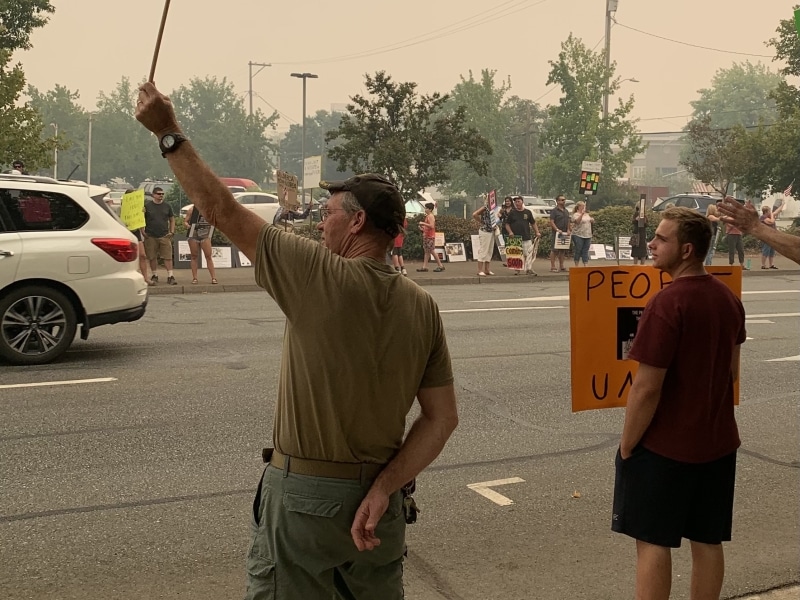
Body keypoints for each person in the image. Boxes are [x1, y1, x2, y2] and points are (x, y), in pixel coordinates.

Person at [135, 81, 458, 600]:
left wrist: (169, 133)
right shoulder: (422, 306)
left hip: (306, 501)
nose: (319, 223)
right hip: (382, 503)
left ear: (356, 222)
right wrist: (384, 487)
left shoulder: (317, 275)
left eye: (328, 214)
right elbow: (442, 418)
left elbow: (220, 210)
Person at [613, 206, 745, 600]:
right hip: (719, 444)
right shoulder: (727, 299)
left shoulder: (666, 303)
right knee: (707, 540)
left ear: (686, 250)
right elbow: (732, 373)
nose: (651, 244)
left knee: (652, 540)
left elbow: (646, 388)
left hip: (664, 447)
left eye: (661, 239)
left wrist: (627, 445)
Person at [717, 196, 800, 265]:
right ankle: (734, 265)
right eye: (769, 211)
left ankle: (742, 264)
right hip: (734, 235)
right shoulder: (764, 218)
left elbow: (796, 248)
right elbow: (796, 247)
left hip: (743, 234)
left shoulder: (767, 217)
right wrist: (756, 227)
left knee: (741, 251)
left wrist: (756, 226)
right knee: (734, 251)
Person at [143, 186, 178, 285]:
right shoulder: (147, 206)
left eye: (162, 194)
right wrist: (142, 231)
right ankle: (154, 275)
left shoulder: (167, 206)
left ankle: (170, 276)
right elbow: (141, 219)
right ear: (153, 195)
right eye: (159, 194)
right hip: (150, 235)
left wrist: (172, 231)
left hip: (164, 235)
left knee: (167, 256)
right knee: (152, 256)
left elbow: (172, 219)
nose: (161, 195)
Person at [505, 196, 541, 275]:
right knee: (517, 254)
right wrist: (510, 232)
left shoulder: (527, 212)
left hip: (526, 236)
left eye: (518, 201)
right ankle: (517, 269)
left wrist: (537, 232)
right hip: (515, 237)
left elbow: (533, 223)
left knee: (528, 254)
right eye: (516, 202)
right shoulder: (512, 213)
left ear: (522, 202)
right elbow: (507, 224)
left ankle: (529, 269)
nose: (517, 203)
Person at [184, 205, 218, 284]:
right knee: (194, 256)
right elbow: (185, 221)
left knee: (208, 256)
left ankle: (213, 277)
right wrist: (187, 225)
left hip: (205, 235)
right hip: (193, 234)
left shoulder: (208, 209)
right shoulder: (191, 210)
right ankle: (195, 278)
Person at [121, 188, 148, 280]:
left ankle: (146, 278)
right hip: (126, 232)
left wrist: (142, 214)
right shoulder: (122, 208)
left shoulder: (138, 207)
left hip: (136, 232)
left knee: (142, 255)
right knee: (128, 257)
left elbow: (140, 221)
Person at [417, 202, 445, 272]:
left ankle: (440, 265)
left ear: (430, 209)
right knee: (426, 252)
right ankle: (424, 266)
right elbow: (428, 227)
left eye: (426, 208)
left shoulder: (430, 216)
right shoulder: (428, 216)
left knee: (431, 251)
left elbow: (432, 226)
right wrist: (422, 228)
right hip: (427, 236)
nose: (425, 209)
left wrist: (423, 223)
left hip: (430, 237)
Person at [472, 200, 496, 276]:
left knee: (489, 250)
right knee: (483, 250)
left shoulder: (494, 209)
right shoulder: (485, 208)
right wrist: (482, 222)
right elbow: (475, 214)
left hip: (491, 231)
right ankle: (480, 270)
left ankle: (487, 269)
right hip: (485, 231)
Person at [548, 195, 571, 272]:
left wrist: (568, 229)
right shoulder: (554, 211)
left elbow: (568, 221)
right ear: (557, 201)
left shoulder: (566, 211)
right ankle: (553, 266)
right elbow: (551, 221)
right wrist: (557, 229)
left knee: (562, 250)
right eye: (562, 200)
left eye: (564, 200)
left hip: (564, 233)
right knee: (554, 250)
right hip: (557, 233)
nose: (564, 201)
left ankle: (562, 266)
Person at [758, 203, 784, 269]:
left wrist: (782, 205)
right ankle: (763, 265)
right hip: (766, 237)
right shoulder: (763, 218)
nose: (771, 212)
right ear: (766, 212)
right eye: (769, 211)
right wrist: (772, 215)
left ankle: (771, 264)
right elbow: (771, 221)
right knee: (766, 250)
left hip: (772, 237)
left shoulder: (770, 216)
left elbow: (777, 211)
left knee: (772, 251)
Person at [571, 201, 594, 267]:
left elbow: (590, 221)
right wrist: (581, 214)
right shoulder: (575, 214)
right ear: (578, 207)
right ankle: (576, 264)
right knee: (578, 249)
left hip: (587, 234)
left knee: (585, 250)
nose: (584, 207)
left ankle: (585, 264)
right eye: (582, 206)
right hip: (578, 234)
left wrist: (592, 220)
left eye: (584, 206)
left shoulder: (587, 214)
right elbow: (577, 222)